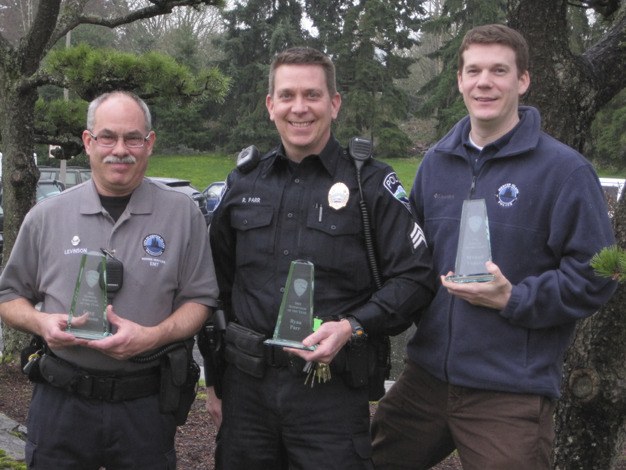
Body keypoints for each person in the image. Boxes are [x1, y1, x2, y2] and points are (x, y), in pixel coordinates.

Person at [370, 24, 618, 469]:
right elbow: (414, 262)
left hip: (509, 390)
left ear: (522, 80)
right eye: (474, 70)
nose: (485, 81)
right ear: (461, 80)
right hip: (425, 379)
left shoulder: (565, 171)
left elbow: (597, 276)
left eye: (499, 70)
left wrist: (514, 297)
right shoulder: (435, 164)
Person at [206, 47, 435, 469]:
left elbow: (416, 277)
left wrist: (353, 327)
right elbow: (214, 287)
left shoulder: (370, 184)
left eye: (312, 95)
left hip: (329, 395)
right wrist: (215, 382)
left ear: (334, 103)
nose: (299, 108)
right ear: (270, 105)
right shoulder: (242, 183)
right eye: (287, 95)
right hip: (247, 396)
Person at [0, 91, 219, 469]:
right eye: (108, 137)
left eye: (133, 138)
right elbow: (8, 295)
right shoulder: (46, 216)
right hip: (61, 404)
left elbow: (200, 300)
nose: (120, 149)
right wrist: (40, 322)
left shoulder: (183, 214)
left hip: (145, 406)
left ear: (149, 144)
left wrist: (153, 336)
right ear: (89, 142)